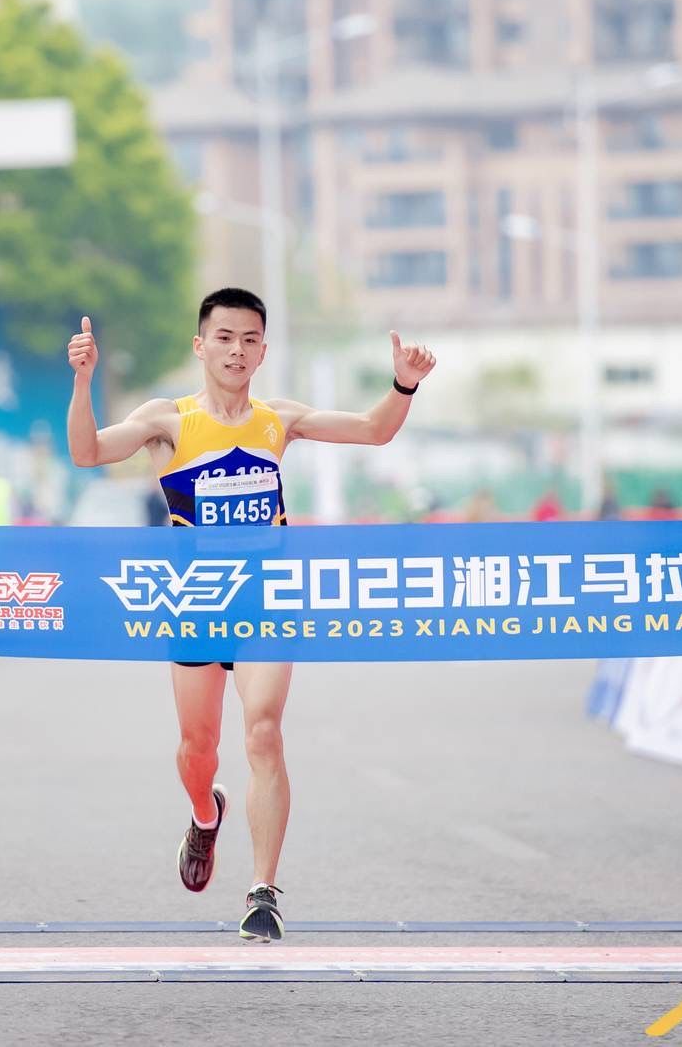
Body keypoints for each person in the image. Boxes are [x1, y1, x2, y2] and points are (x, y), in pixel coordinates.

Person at [65, 287, 436, 943]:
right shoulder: (167, 421)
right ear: (200, 345)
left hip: (265, 603)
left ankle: (263, 892)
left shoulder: (278, 420)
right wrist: (83, 382)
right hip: (196, 605)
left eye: (249, 340)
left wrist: (403, 385)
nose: (237, 351)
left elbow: (373, 430)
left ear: (263, 351)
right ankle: (205, 814)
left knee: (263, 732)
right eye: (225, 338)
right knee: (198, 748)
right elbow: (88, 451)